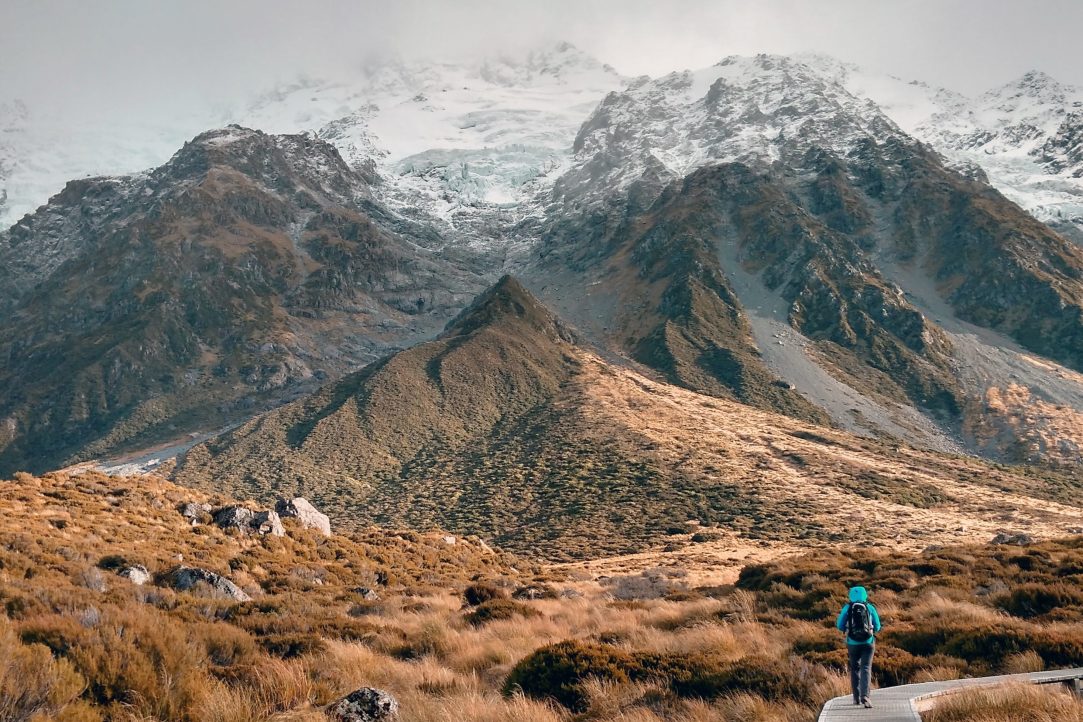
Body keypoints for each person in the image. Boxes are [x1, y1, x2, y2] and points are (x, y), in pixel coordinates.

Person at [836, 585, 882, 708]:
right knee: (866, 668)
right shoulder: (870, 608)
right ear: (864, 595)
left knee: (855, 668)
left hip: (852, 643)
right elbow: (877, 626)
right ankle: (865, 697)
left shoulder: (847, 608)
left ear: (851, 595)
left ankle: (856, 698)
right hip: (868, 642)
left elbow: (839, 625)